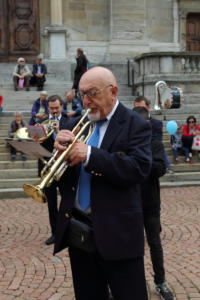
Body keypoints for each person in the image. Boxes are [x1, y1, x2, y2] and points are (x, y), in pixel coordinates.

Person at [53, 66, 152, 300]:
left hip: (119, 233)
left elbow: (138, 168)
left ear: (113, 91)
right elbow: (65, 182)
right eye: (82, 94)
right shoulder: (74, 124)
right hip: (80, 233)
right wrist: (57, 155)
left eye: (93, 93)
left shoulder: (135, 123)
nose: (86, 101)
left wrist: (89, 155)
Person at [133, 106, 175, 300]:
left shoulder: (155, 144)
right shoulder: (127, 143)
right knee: (131, 245)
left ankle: (160, 281)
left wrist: (141, 160)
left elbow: (160, 169)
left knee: (155, 243)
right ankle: (133, 283)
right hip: (131, 203)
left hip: (150, 203)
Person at [37, 95, 69, 245]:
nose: (55, 111)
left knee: (67, 201)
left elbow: (71, 143)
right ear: (48, 108)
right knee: (51, 203)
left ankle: (67, 231)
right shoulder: (41, 123)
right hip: (48, 168)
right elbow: (39, 148)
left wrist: (58, 131)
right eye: (52, 108)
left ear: (61, 106)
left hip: (64, 168)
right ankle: (55, 233)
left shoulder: (69, 122)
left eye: (57, 108)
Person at [133, 96, 174, 174]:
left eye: (142, 108)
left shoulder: (156, 123)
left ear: (148, 108)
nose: (139, 111)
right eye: (136, 108)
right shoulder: (130, 122)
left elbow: (157, 141)